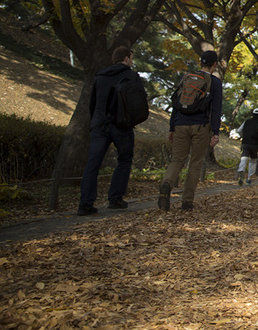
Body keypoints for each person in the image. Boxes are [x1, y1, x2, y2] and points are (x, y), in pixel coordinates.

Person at [77, 46, 142, 216]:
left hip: (100, 125)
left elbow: (93, 102)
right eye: (132, 58)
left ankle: (85, 203)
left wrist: (96, 121)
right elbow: (139, 104)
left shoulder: (100, 76)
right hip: (122, 125)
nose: (132, 61)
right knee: (125, 159)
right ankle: (115, 198)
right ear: (126, 58)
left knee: (93, 163)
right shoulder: (132, 77)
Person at [158, 49, 223, 211]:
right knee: (195, 163)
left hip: (180, 124)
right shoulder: (214, 82)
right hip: (201, 127)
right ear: (214, 64)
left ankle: (166, 184)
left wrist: (172, 127)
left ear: (200, 62)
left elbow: (176, 104)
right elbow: (216, 110)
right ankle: (187, 201)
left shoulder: (187, 78)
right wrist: (215, 132)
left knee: (177, 160)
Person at [234, 107, 258, 186]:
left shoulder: (246, 122)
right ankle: (249, 177)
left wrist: (244, 135)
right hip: (254, 144)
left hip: (245, 143)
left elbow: (238, 130)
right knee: (253, 160)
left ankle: (241, 171)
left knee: (244, 157)